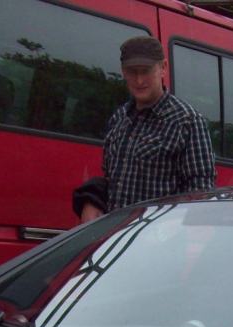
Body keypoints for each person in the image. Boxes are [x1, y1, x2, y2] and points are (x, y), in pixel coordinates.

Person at [75, 36, 215, 222]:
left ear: (163, 68)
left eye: (146, 71)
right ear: (123, 72)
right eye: (133, 72)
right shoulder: (119, 118)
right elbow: (110, 180)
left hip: (158, 241)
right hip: (116, 236)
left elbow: (200, 194)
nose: (139, 80)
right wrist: (91, 202)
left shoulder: (187, 122)